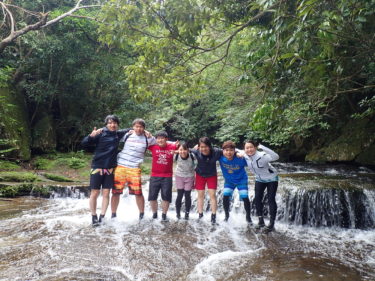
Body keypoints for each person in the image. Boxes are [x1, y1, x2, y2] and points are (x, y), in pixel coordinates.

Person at [81, 115, 130, 226]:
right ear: (106, 124)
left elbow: (133, 129)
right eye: (110, 123)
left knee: (106, 193)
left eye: (114, 123)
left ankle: (102, 216)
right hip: (97, 167)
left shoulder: (118, 134)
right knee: (94, 192)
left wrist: (146, 132)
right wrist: (90, 136)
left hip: (110, 169)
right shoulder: (100, 133)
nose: (112, 125)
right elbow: (84, 143)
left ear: (117, 124)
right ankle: (94, 216)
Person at [112, 118, 155, 220]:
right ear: (133, 127)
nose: (138, 128)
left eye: (141, 127)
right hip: (121, 166)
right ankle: (113, 214)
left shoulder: (148, 138)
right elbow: (112, 135)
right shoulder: (127, 135)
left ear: (144, 128)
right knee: (115, 192)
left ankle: (141, 214)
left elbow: (162, 142)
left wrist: (176, 146)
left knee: (138, 193)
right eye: (136, 126)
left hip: (134, 168)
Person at [243, 140, 279, 232]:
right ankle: (261, 221)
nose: (249, 149)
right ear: (244, 149)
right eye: (247, 148)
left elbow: (276, 156)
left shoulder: (262, 155)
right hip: (259, 179)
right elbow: (232, 149)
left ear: (255, 147)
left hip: (271, 178)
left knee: (271, 199)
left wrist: (262, 147)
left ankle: (271, 223)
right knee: (257, 199)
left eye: (251, 147)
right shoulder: (245, 155)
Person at [191, 137, 222, 224]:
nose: (204, 149)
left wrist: (238, 153)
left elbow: (228, 150)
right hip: (200, 175)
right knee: (200, 195)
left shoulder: (216, 152)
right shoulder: (196, 151)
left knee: (213, 195)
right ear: (199, 147)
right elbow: (184, 150)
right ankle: (200, 215)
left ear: (209, 146)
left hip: (211, 175)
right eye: (201, 147)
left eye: (205, 147)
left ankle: (213, 216)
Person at [148, 131, 178, 221]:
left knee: (166, 196)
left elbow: (184, 149)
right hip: (154, 175)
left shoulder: (172, 146)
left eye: (162, 138)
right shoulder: (153, 147)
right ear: (156, 139)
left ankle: (164, 215)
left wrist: (176, 151)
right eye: (158, 138)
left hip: (167, 176)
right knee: (152, 196)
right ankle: (154, 214)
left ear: (166, 139)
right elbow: (145, 141)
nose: (160, 140)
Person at [219, 141, 252, 224]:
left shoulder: (240, 158)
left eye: (231, 150)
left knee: (245, 197)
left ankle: (248, 216)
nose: (228, 152)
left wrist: (239, 152)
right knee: (225, 196)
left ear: (234, 151)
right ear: (223, 151)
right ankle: (226, 215)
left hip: (241, 180)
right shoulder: (220, 157)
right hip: (229, 181)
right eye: (226, 150)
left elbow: (249, 154)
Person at [174, 142, 196, 220]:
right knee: (179, 195)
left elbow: (197, 165)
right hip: (179, 176)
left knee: (187, 195)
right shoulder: (176, 156)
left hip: (189, 177)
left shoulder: (192, 156)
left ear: (188, 150)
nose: (182, 152)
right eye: (180, 150)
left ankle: (187, 214)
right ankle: (178, 213)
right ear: (178, 150)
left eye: (184, 150)